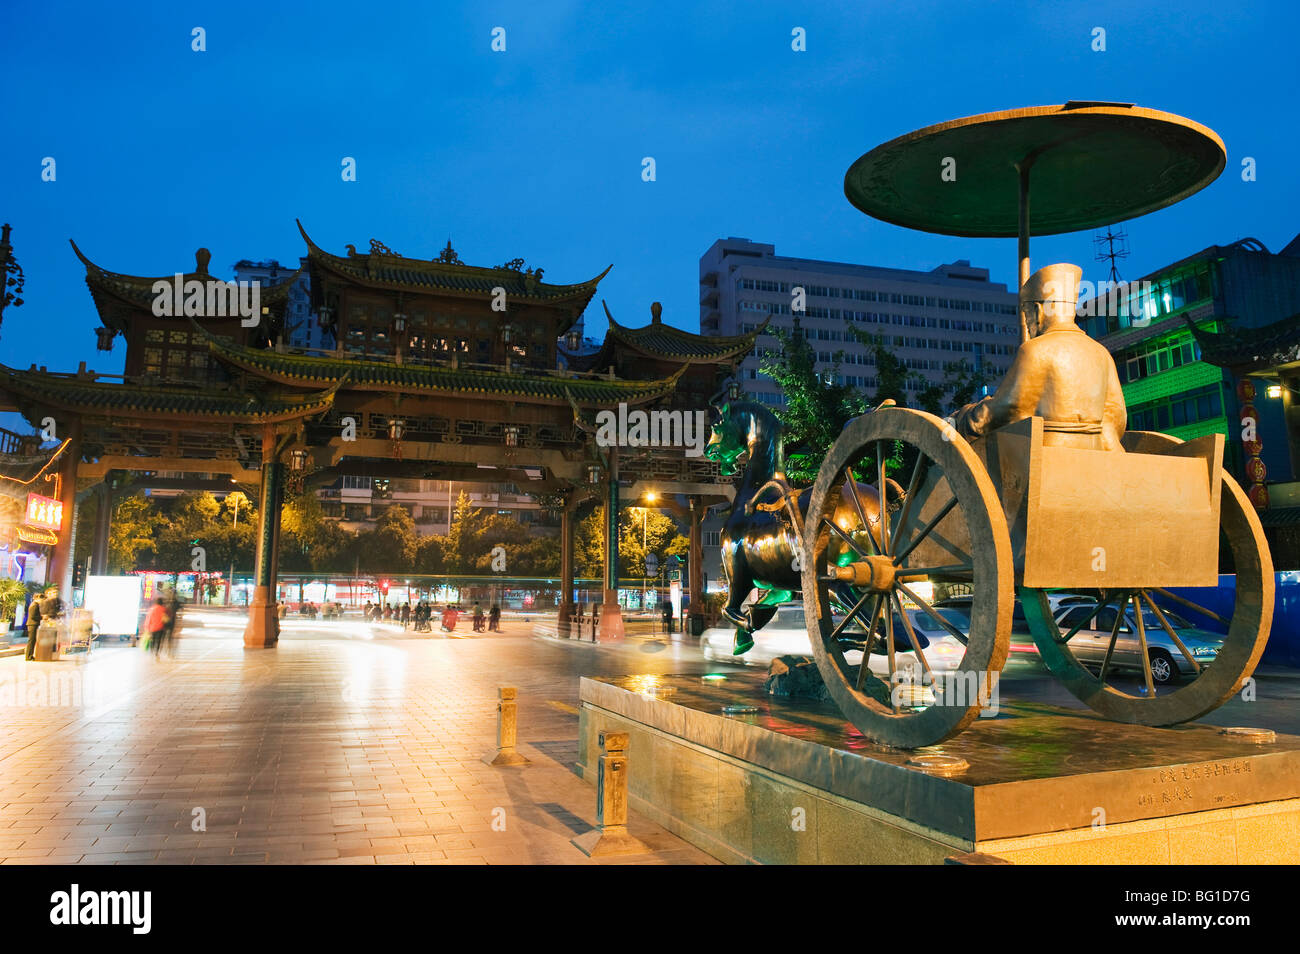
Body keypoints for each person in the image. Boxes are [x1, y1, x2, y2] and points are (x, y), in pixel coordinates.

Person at [952, 263, 1126, 451]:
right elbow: (1118, 415)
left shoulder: (1035, 350)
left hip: (1048, 456)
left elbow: (1008, 408)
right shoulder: (1100, 352)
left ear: (1037, 311)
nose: (1027, 324)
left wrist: (963, 418)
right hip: (1099, 456)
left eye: (1026, 315)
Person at [24, 591, 43, 661]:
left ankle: (30, 656)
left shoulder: (35, 605)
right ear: (37, 598)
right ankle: (28, 656)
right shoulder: (34, 605)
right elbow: (33, 616)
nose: (42, 601)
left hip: (33, 624)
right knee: (31, 641)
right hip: (32, 624)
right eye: (41, 599)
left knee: (32, 641)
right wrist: (42, 617)